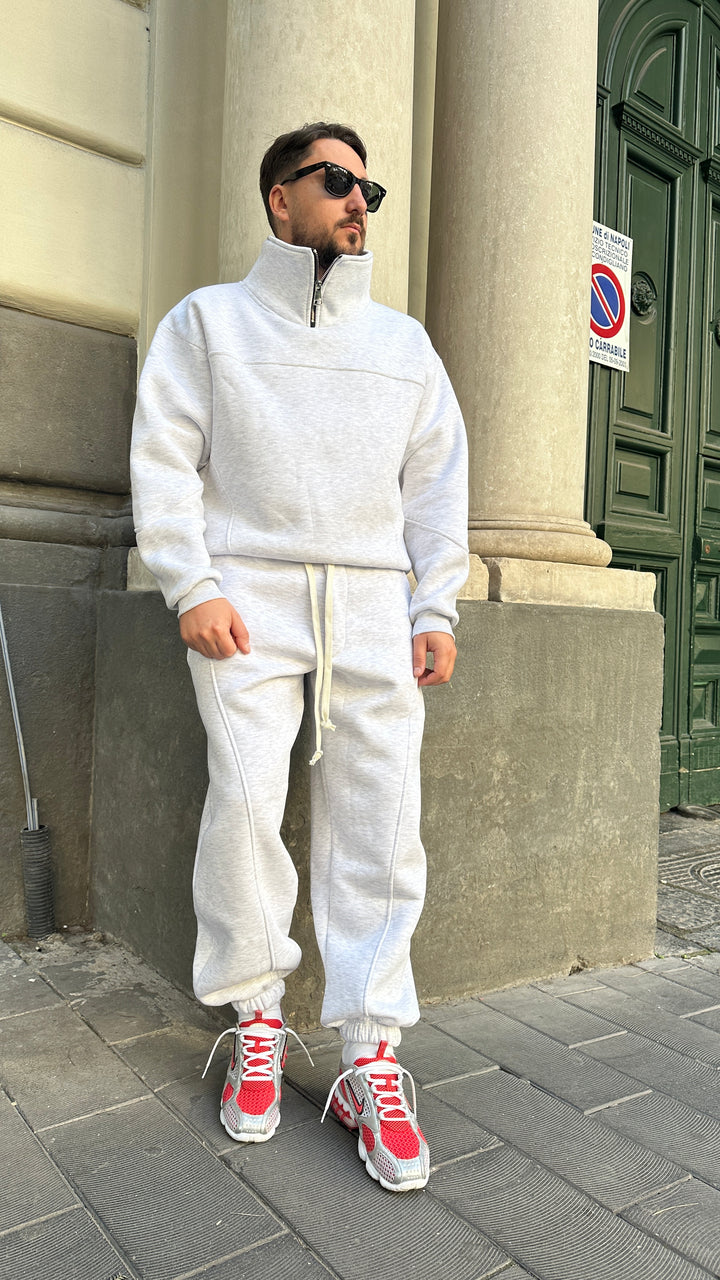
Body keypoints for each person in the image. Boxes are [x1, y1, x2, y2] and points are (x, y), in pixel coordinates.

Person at [130, 122, 468, 1193]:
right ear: (280, 197)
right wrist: (192, 584)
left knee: (384, 819)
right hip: (247, 598)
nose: (358, 200)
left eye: (368, 186)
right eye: (335, 180)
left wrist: (436, 605)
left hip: (373, 600)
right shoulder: (207, 321)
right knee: (243, 805)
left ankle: (370, 1052)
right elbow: (165, 453)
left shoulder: (404, 345)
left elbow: (436, 481)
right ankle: (258, 1017)